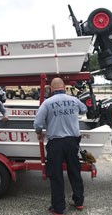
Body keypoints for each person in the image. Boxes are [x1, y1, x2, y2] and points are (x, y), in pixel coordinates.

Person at [33, 77, 88, 215]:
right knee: (74, 171)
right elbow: (84, 109)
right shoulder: (74, 100)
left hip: (56, 144)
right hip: (72, 142)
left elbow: (38, 124)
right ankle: (79, 201)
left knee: (56, 175)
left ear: (51, 89)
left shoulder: (47, 103)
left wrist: (39, 133)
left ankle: (58, 207)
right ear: (64, 87)